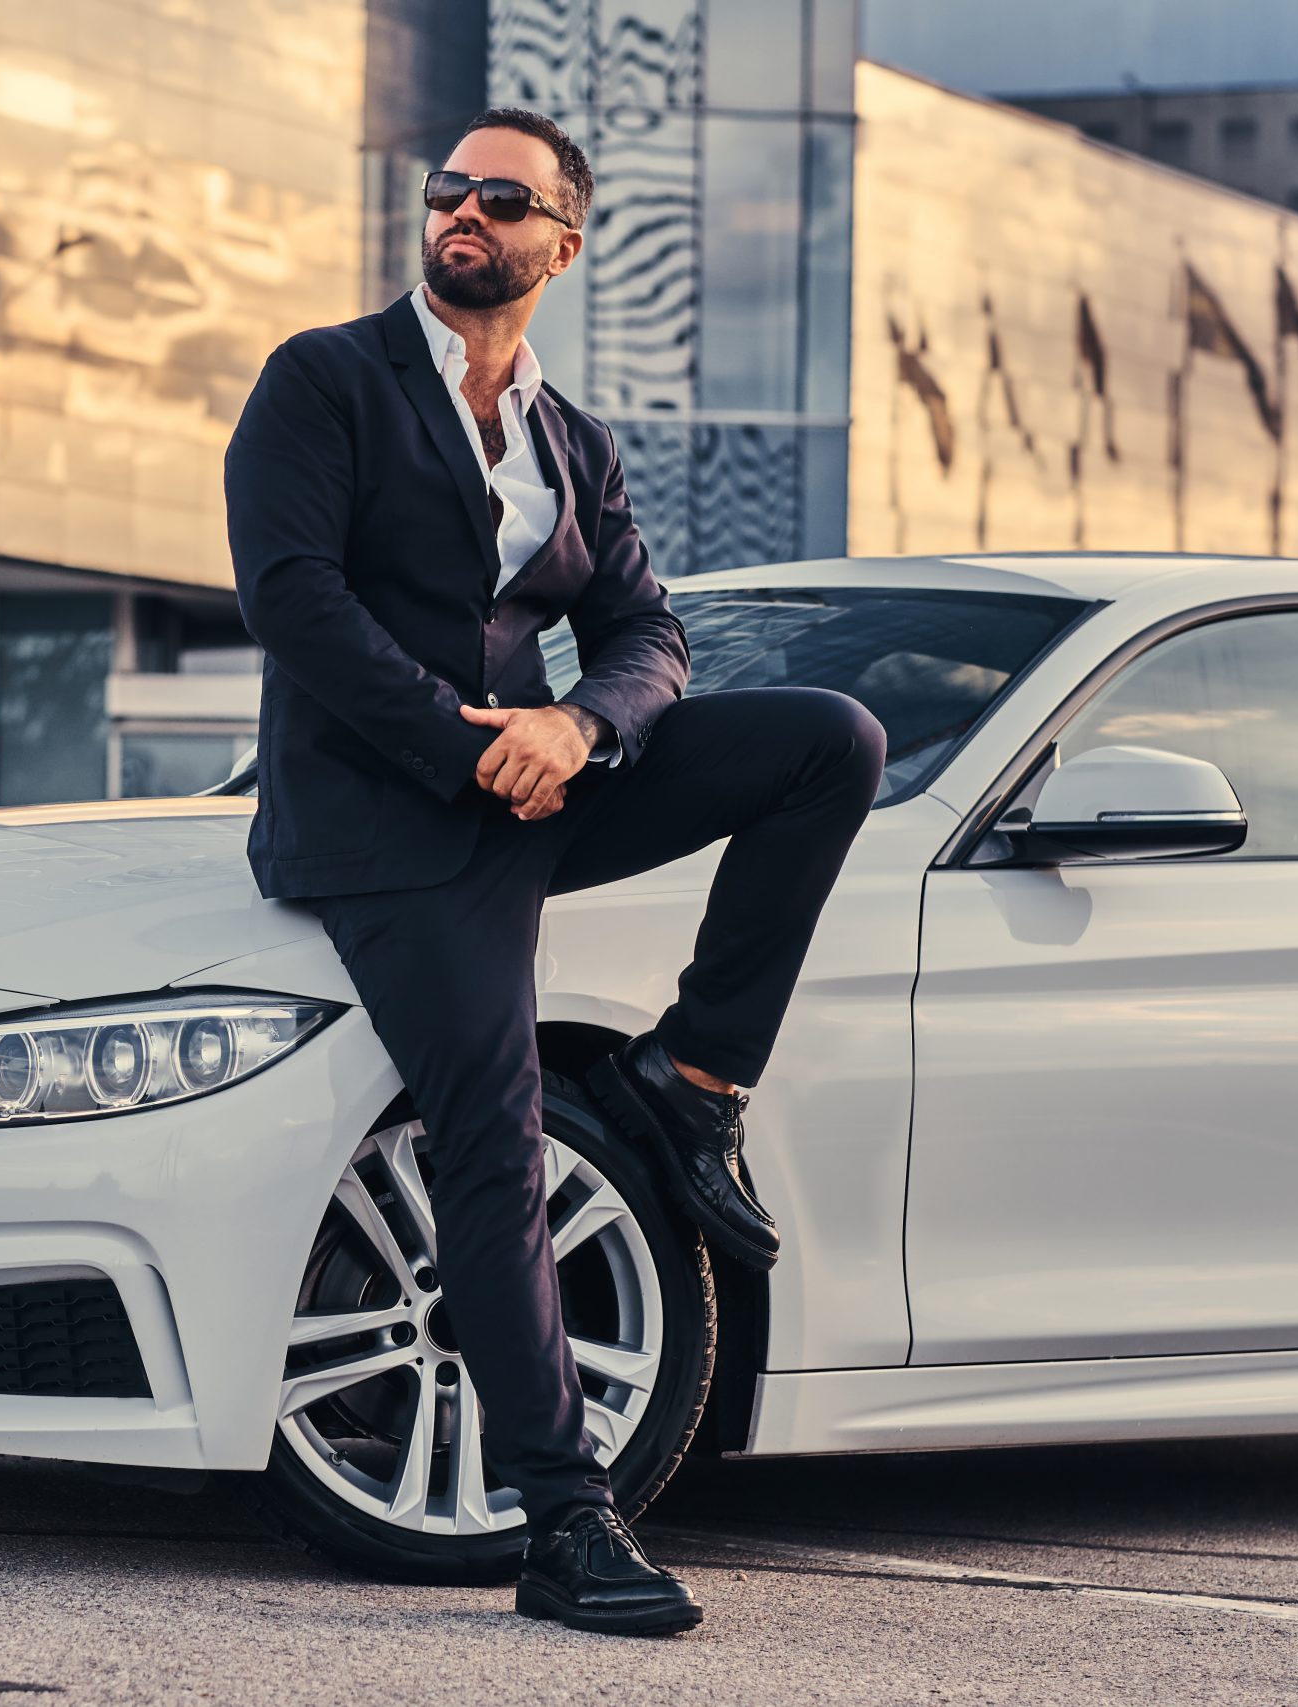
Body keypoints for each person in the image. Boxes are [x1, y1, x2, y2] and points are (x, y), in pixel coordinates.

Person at [222, 106, 886, 1636]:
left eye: (500, 196)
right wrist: (472, 748)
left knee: (825, 742)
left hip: (534, 784)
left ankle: (693, 1085)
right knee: (495, 1121)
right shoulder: (324, 379)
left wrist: (582, 729)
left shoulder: (573, 440)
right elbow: (296, 602)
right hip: (389, 820)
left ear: (563, 243)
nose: (462, 210)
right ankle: (567, 1521)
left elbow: (652, 637)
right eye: (446, 189)